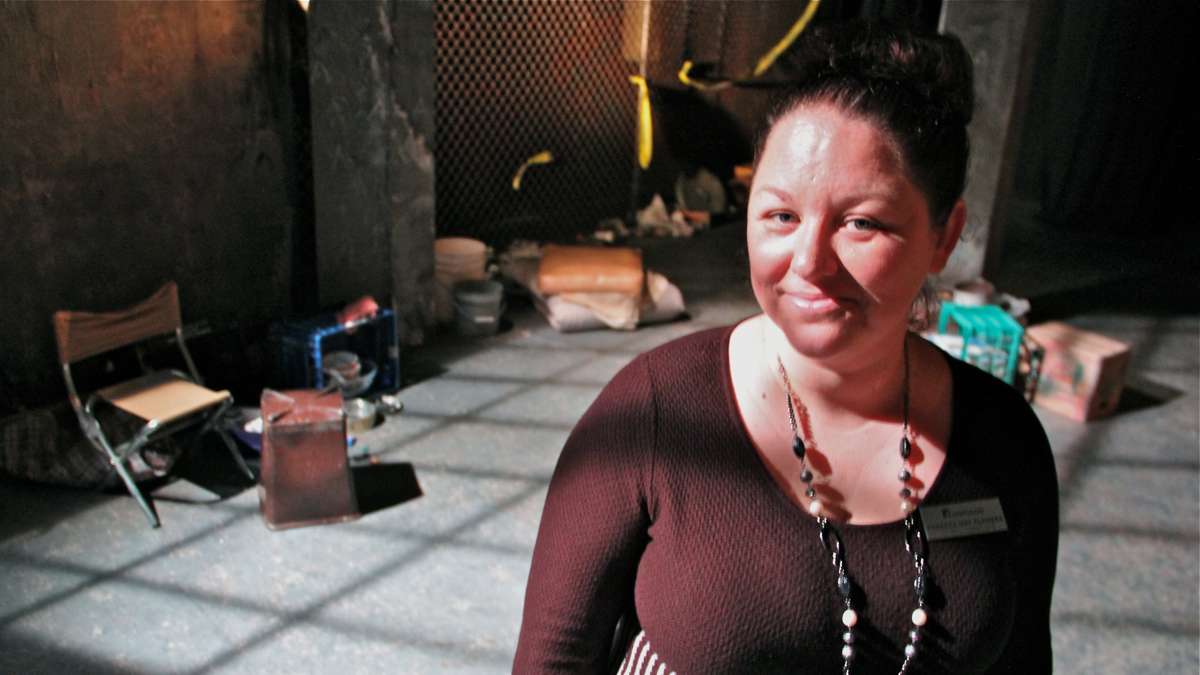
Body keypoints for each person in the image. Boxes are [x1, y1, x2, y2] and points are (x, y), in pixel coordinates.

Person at [513, 21, 1058, 675]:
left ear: (945, 236)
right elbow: (554, 658)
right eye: (781, 215)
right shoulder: (653, 411)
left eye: (861, 223)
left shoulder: (1004, 443)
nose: (809, 262)